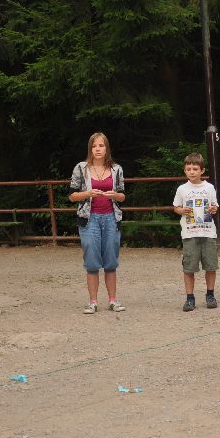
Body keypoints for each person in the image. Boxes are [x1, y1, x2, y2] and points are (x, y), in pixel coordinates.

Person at [68, 132, 126, 314]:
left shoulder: (116, 169)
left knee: (111, 262)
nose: (98, 149)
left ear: (107, 148)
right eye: (94, 146)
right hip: (89, 219)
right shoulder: (81, 168)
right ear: (90, 149)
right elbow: (72, 196)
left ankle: (113, 300)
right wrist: (88, 193)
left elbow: (122, 196)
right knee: (92, 262)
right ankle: (92, 302)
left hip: (111, 218)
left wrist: (115, 195)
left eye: (101, 145)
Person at [173, 153, 220, 311]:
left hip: (208, 232)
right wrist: (181, 210)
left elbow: (215, 205)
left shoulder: (209, 187)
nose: (191, 172)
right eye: (188, 169)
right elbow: (176, 207)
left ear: (202, 170)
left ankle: (210, 294)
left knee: (210, 266)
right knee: (189, 268)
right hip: (189, 233)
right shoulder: (182, 189)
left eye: (195, 169)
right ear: (184, 170)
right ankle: (190, 298)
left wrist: (214, 209)